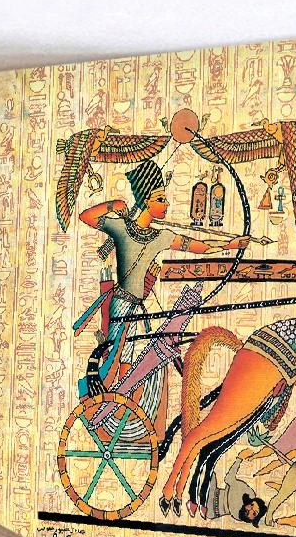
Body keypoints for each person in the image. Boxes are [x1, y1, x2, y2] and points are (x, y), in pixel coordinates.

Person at [74, 159, 248, 412]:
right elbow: (85, 216)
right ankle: (107, 407)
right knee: (115, 358)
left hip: (136, 307)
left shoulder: (160, 236)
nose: (166, 205)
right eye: (160, 199)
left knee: (129, 359)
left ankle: (121, 406)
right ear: (146, 202)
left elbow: (199, 246)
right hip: (120, 305)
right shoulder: (121, 228)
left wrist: (231, 245)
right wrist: (112, 205)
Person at [202, 455, 267, 527]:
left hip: (211, 510)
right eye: (251, 505)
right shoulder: (248, 493)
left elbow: (229, 480)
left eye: (254, 513)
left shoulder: (239, 514)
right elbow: (229, 479)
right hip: (213, 491)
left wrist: (239, 459)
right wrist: (239, 460)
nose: (249, 510)